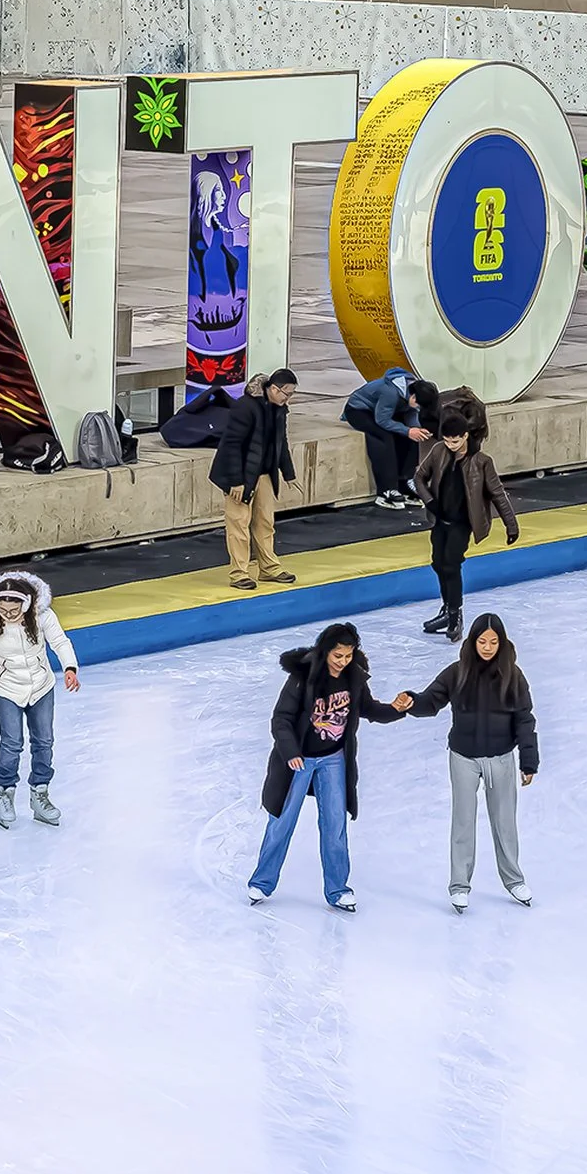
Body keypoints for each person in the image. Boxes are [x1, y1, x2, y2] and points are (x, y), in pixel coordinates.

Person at [247, 622, 405, 911]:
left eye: (348, 656)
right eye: (338, 657)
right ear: (325, 652)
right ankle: (262, 882)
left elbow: (368, 709)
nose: (343, 662)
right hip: (298, 761)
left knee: (334, 826)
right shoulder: (303, 677)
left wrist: (395, 709)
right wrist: (291, 752)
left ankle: (338, 890)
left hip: (334, 759)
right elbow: (281, 718)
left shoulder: (354, 677)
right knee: (282, 821)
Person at [399, 613, 537, 912]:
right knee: (463, 821)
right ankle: (459, 885)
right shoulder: (456, 673)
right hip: (464, 757)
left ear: (502, 643)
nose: (487, 647)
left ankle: (513, 879)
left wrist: (529, 760)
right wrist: (412, 701)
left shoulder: (514, 676)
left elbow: (525, 719)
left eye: (493, 642)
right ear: (473, 641)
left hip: (501, 757)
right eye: (482, 641)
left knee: (505, 822)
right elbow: (431, 700)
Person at [0, 573, 80, 828]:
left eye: (13, 611)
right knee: (12, 742)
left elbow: (60, 641)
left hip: (41, 685)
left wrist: (70, 668)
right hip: (5, 687)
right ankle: (5, 792)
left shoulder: (43, 615)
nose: (8, 616)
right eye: (3, 610)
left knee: (44, 741)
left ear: (27, 604)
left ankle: (39, 793)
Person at [415, 410, 520, 641]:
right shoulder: (438, 451)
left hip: (462, 522)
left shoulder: (482, 462)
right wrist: (430, 502)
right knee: (438, 563)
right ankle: (446, 608)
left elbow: (497, 494)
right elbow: (419, 477)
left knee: (451, 564)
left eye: (455, 441)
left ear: (465, 437)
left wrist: (511, 525)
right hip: (439, 518)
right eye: (446, 440)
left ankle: (455, 615)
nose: (450, 445)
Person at [211, 368, 300, 592]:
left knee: (265, 521)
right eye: (286, 393)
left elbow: (281, 442)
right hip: (239, 474)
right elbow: (231, 445)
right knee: (239, 523)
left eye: (291, 394)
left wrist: (288, 473)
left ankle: (269, 567)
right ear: (273, 388)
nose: (287, 398)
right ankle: (239, 572)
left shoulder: (280, 409)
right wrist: (236, 481)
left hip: (264, 472)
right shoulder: (245, 407)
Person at [342, 368, 440, 510]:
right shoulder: (390, 392)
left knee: (411, 436)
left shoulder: (415, 393)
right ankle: (386, 489)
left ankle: (406, 481)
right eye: (419, 404)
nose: (419, 407)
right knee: (384, 437)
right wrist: (407, 431)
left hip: (384, 410)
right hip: (359, 410)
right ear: (412, 397)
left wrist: (415, 429)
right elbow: (382, 420)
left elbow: (412, 414)